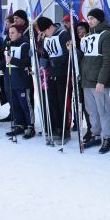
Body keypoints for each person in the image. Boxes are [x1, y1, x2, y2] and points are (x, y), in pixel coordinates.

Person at [79, 8, 110, 154]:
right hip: (87, 80)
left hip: (99, 81)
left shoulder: (106, 35)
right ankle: (96, 134)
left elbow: (108, 60)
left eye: (92, 18)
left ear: (99, 19)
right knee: (92, 111)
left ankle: (107, 138)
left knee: (103, 110)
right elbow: (85, 57)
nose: (90, 21)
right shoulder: (88, 36)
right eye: (88, 18)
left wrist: (102, 80)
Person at [37, 16, 71, 145]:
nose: (45, 35)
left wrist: (51, 61)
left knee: (62, 102)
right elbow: (46, 52)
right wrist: (41, 55)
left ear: (50, 27)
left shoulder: (63, 35)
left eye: (45, 31)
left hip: (62, 74)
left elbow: (67, 55)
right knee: (52, 102)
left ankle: (65, 129)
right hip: (50, 74)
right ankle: (56, 127)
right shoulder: (46, 37)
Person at [0, 24, 35, 139]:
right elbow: (5, 61)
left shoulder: (25, 45)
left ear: (19, 33)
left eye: (13, 32)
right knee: (14, 104)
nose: (10, 35)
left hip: (21, 79)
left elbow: (27, 62)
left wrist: (13, 60)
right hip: (9, 78)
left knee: (25, 104)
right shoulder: (8, 45)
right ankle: (19, 124)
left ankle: (30, 125)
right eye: (9, 33)